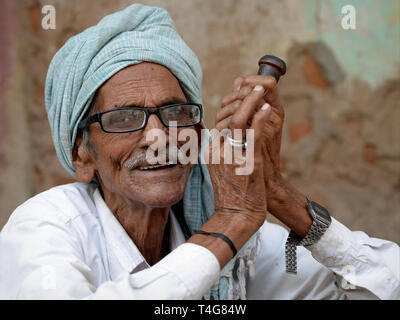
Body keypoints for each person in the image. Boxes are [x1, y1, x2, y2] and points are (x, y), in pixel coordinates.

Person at [0, 4, 398, 300]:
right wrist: (226, 225)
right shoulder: (45, 228)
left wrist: (275, 191)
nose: (158, 137)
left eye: (175, 112)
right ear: (82, 155)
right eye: (124, 118)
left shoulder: (246, 245)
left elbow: (385, 285)